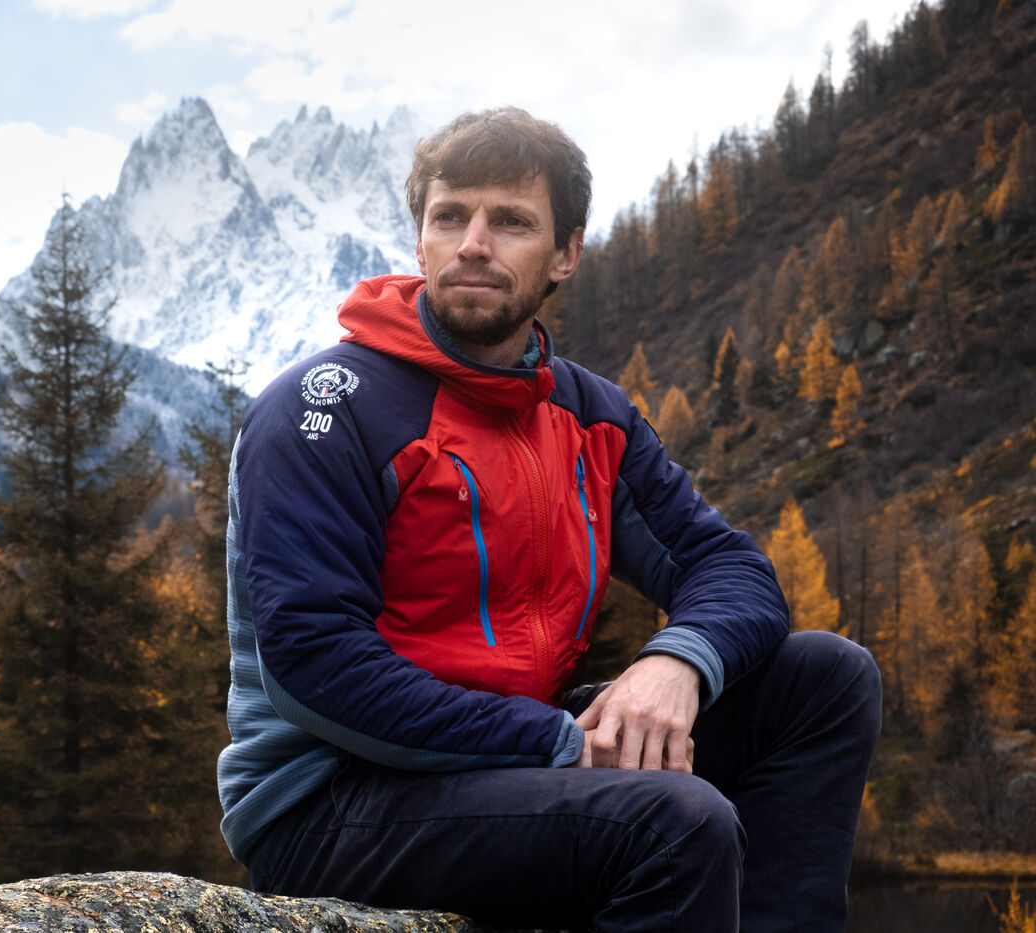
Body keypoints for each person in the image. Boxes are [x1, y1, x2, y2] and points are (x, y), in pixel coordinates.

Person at [216, 107, 880, 933]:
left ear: (565, 254)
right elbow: (315, 665)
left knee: (825, 679)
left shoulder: (589, 414)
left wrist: (675, 663)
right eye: (449, 217)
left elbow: (728, 568)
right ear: (419, 241)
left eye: (511, 221)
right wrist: (561, 740)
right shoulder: (325, 409)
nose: (473, 244)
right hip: (331, 798)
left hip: (513, 758)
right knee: (674, 823)